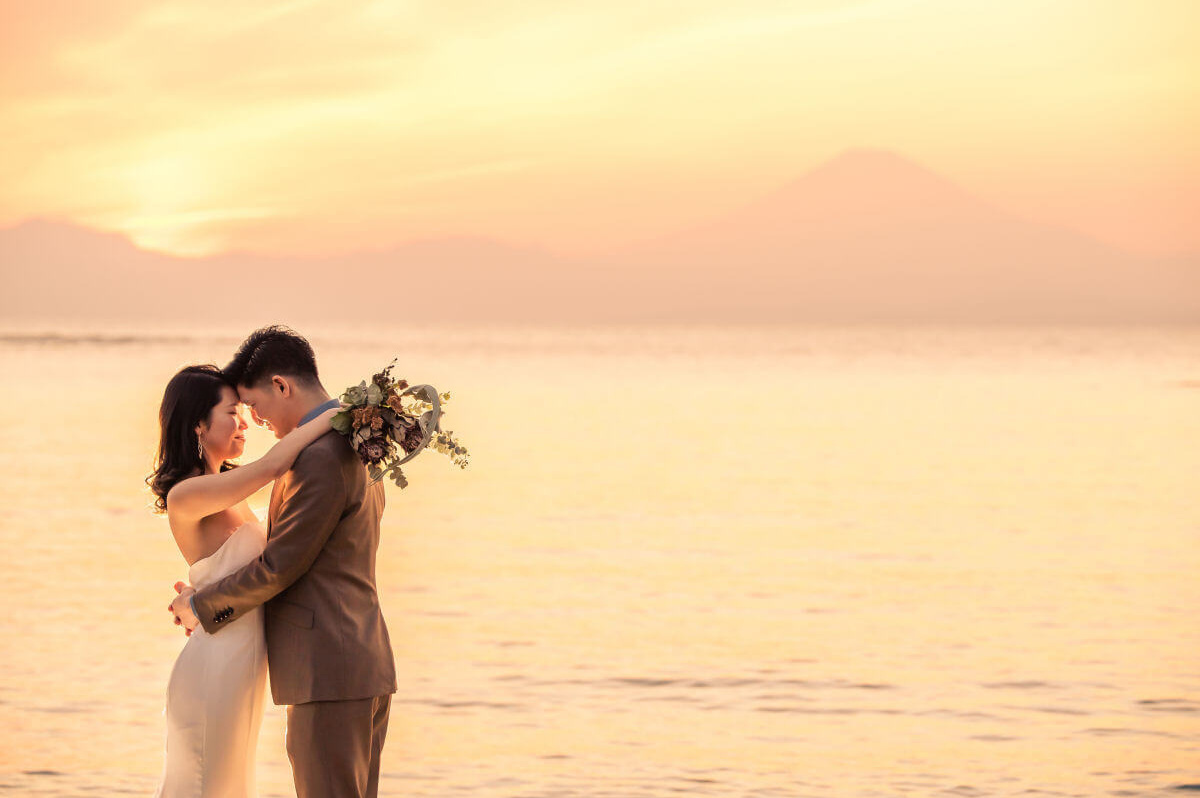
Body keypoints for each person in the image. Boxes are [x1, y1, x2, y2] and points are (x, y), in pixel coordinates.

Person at [167, 325, 398, 798]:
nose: (255, 420)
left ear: (281, 386)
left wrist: (202, 605)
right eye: (236, 412)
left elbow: (279, 566)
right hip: (347, 658)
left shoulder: (321, 455)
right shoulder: (353, 442)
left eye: (253, 406)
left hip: (329, 667)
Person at [149, 363, 339, 797]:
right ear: (198, 423)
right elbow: (275, 465)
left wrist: (195, 598)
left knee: (229, 784)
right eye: (232, 412)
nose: (245, 423)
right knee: (205, 784)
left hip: (242, 663)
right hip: (215, 664)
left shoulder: (224, 487)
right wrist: (335, 414)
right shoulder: (186, 493)